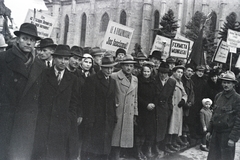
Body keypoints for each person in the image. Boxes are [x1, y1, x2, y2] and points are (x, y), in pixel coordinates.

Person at [0, 23, 44, 160]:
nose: (28, 43)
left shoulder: (40, 65)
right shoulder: (3, 59)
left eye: (32, 40)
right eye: (25, 38)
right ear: (18, 39)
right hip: (6, 120)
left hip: (27, 123)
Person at [31, 45, 79, 160]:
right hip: (44, 122)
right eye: (60, 58)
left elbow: (74, 102)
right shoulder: (44, 74)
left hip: (62, 124)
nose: (63, 62)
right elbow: (38, 98)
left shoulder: (73, 79)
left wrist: (68, 118)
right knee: (43, 153)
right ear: (54, 59)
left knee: (59, 153)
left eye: (66, 59)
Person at [81, 53, 117, 160]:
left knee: (105, 147)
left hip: (108, 119)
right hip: (96, 119)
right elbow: (89, 102)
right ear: (101, 68)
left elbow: (112, 101)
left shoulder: (112, 82)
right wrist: (90, 119)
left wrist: (113, 118)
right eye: (107, 68)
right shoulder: (93, 79)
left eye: (111, 68)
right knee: (93, 147)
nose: (110, 71)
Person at [206, 71, 240, 160]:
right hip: (216, 133)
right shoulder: (218, 96)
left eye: (228, 83)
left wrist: (233, 138)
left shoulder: (237, 98)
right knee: (213, 157)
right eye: (224, 82)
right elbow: (214, 115)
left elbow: (238, 120)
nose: (226, 85)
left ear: (233, 84)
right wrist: (209, 131)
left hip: (227, 135)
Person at [110, 54, 138, 160]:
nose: (129, 68)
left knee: (125, 137)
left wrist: (135, 112)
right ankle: (114, 156)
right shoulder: (115, 76)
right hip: (119, 110)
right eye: (126, 65)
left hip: (129, 112)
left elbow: (135, 97)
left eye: (131, 66)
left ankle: (120, 155)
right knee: (116, 137)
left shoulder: (135, 79)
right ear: (122, 66)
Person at [154, 62, 176, 155]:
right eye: (161, 73)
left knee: (164, 129)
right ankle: (154, 147)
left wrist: (170, 108)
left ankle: (162, 146)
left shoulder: (172, 82)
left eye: (165, 73)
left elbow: (170, 96)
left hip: (165, 108)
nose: (163, 75)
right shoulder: (154, 80)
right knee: (155, 129)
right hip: (156, 107)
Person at [135, 61, 156, 159]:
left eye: (148, 72)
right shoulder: (138, 81)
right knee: (140, 132)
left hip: (151, 111)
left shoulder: (153, 82)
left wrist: (153, 104)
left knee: (149, 132)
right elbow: (137, 96)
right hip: (142, 110)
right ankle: (138, 152)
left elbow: (156, 94)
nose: (146, 74)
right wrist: (146, 104)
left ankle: (147, 150)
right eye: (144, 72)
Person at [167, 65, 188, 152]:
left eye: (181, 73)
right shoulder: (170, 81)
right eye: (178, 72)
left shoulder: (180, 83)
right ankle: (168, 143)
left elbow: (185, 94)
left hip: (179, 107)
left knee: (177, 125)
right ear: (174, 72)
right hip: (172, 106)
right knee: (170, 126)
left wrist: (183, 100)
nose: (180, 74)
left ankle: (174, 141)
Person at [190, 65, 208, 144]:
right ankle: (192, 135)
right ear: (196, 71)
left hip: (200, 101)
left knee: (199, 118)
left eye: (202, 72)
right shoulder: (192, 79)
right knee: (192, 118)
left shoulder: (203, 80)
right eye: (199, 71)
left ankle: (197, 134)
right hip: (193, 101)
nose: (201, 73)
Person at [181, 64, 195, 146]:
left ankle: (185, 136)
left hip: (188, 105)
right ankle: (182, 138)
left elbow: (192, 93)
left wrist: (191, 102)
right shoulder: (182, 80)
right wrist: (185, 103)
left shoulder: (190, 81)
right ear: (185, 71)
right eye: (188, 71)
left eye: (191, 71)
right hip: (182, 104)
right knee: (181, 121)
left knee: (186, 120)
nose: (190, 73)